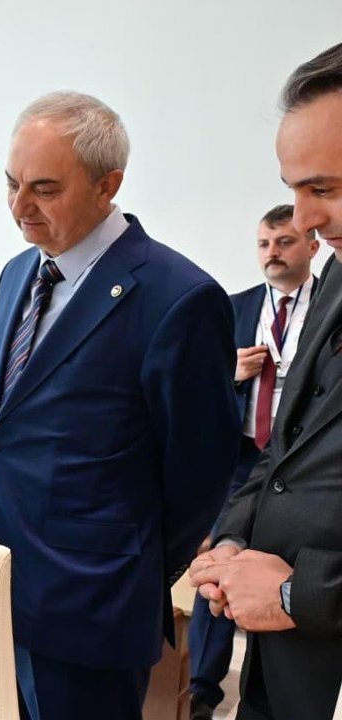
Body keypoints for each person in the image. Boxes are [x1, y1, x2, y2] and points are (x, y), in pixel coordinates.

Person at [0, 91, 239, 720]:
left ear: (107, 185)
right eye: (11, 183)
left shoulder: (179, 297)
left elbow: (200, 471)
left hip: (89, 608)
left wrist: (126, 569)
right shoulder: (17, 274)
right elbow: (3, 432)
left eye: (45, 189)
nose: (20, 207)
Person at [190, 42, 342, 719]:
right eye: (295, 190)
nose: (304, 221)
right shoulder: (334, 283)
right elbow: (287, 446)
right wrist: (233, 538)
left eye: (324, 190)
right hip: (283, 664)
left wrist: (294, 594)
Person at [187, 205, 319, 720]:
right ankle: (202, 691)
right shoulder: (231, 308)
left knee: (282, 575)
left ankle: (274, 694)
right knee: (220, 565)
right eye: (264, 243)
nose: (272, 253)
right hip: (241, 463)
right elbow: (195, 389)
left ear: (312, 246)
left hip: (303, 468)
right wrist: (229, 373)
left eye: (285, 242)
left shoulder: (329, 309)